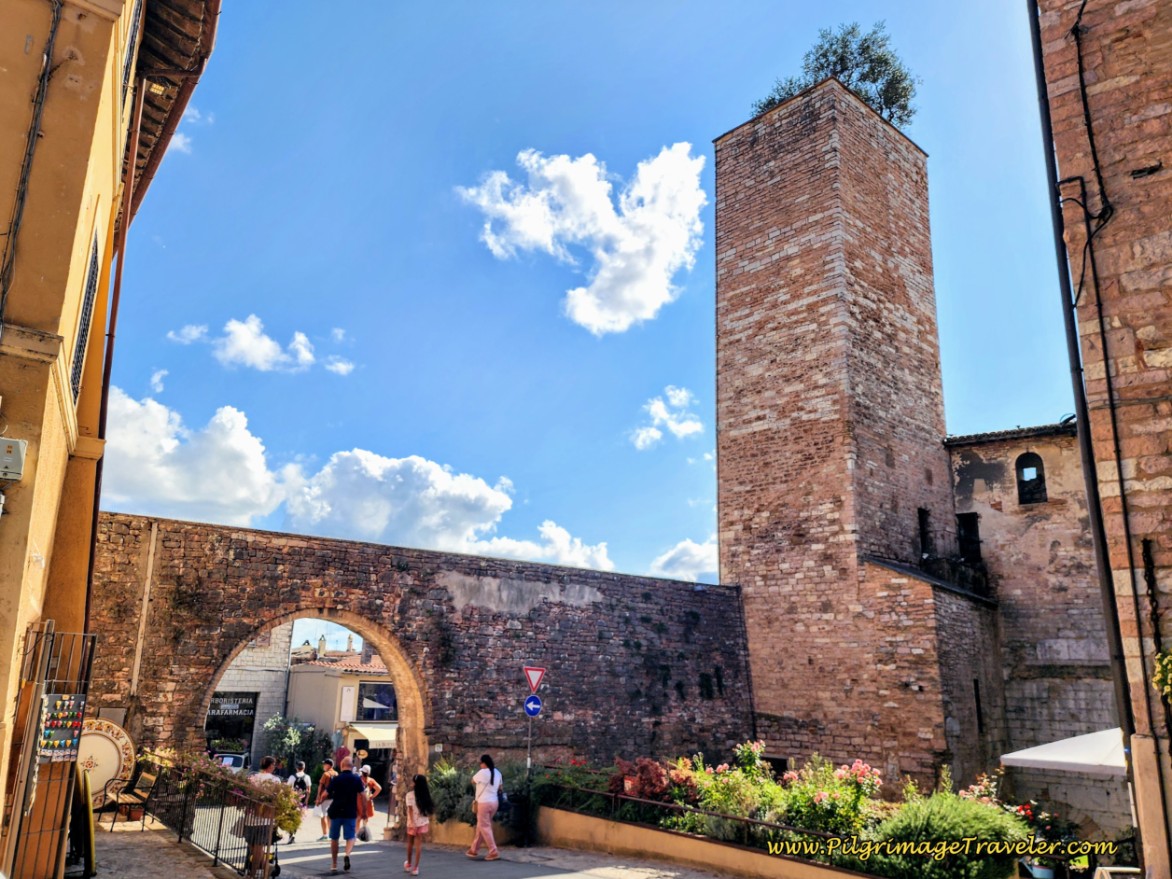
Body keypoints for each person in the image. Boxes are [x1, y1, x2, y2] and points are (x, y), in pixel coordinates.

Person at [326, 756, 366, 874]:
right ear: (352, 766)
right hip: (350, 812)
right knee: (351, 837)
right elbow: (363, 796)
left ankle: (334, 864)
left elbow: (326, 793)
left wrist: (319, 800)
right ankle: (347, 854)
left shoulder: (336, 779)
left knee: (334, 838)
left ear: (341, 766)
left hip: (336, 812)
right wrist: (364, 811)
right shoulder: (356, 779)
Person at [245, 756, 280, 878]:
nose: (274, 767)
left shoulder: (253, 778)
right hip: (265, 818)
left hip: (251, 815)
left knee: (253, 846)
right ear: (270, 766)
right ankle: (261, 869)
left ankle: (258, 871)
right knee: (258, 847)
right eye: (274, 764)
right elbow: (277, 798)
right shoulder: (275, 780)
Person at [466, 754, 502, 861]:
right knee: (481, 826)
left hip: (483, 803)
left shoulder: (482, 772)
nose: (480, 765)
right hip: (494, 802)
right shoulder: (497, 772)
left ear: (484, 763)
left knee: (484, 827)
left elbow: (472, 781)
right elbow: (500, 787)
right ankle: (474, 849)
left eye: (480, 763)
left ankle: (493, 851)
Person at [403, 773, 433, 876]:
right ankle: (416, 868)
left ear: (415, 783)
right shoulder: (425, 795)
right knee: (418, 845)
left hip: (412, 823)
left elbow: (410, 811)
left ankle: (408, 864)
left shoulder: (409, 795)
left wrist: (413, 823)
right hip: (422, 823)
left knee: (410, 843)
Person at [286, 760, 312, 843]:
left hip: (293, 800)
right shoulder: (307, 777)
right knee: (298, 817)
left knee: (291, 817)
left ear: (296, 768)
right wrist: (306, 800)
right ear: (304, 768)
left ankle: (291, 834)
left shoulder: (292, 777)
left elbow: (288, 789)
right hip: (302, 800)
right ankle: (293, 833)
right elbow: (308, 790)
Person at [356, 764, 382, 838]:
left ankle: (357, 833)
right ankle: (364, 832)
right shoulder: (371, 780)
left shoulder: (358, 780)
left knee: (358, 817)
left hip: (359, 800)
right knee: (365, 817)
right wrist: (372, 796)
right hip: (367, 800)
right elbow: (379, 788)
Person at [315, 758, 336, 841]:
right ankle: (332, 834)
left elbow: (320, 786)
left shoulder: (325, 774)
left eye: (324, 764)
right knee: (330, 816)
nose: (323, 765)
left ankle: (325, 835)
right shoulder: (336, 773)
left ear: (328, 765)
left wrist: (318, 797)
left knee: (323, 815)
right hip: (334, 797)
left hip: (325, 797)